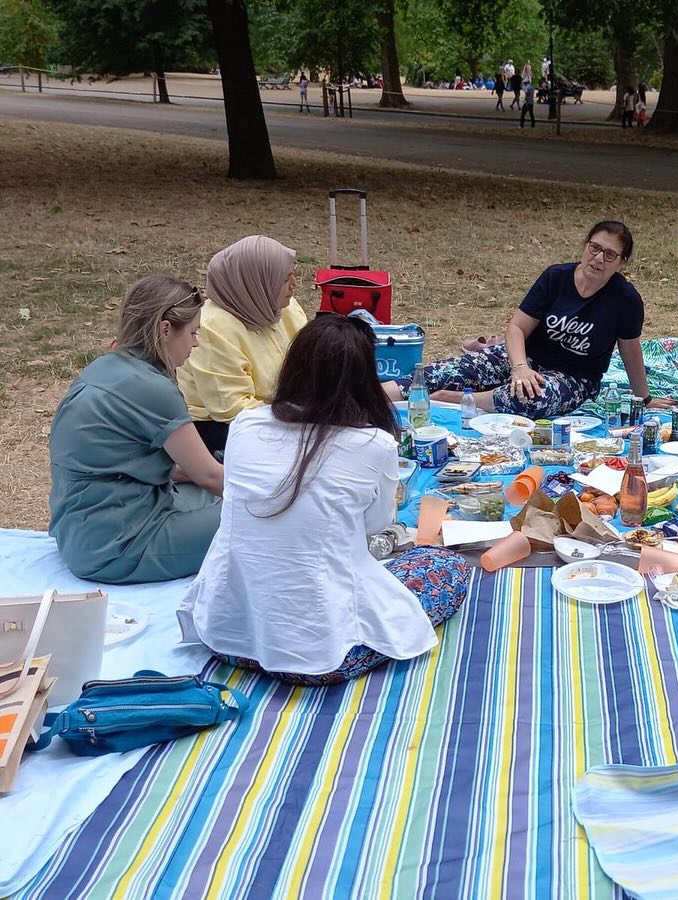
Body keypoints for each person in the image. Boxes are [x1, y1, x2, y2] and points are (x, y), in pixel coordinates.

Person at [178, 315, 467, 686]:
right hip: (318, 656)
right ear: (364, 380)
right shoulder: (372, 444)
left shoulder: (245, 425)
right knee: (443, 566)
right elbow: (376, 526)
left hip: (224, 633)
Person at [49, 276, 224, 584]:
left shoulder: (103, 367)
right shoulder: (154, 389)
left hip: (80, 532)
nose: (195, 343)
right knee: (256, 517)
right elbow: (209, 476)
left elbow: (141, 464)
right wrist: (279, 495)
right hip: (118, 547)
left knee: (217, 498)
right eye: (193, 333)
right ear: (166, 329)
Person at [423, 221, 670, 419]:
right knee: (439, 373)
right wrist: (520, 368)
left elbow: (630, 352)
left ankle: (453, 399)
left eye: (609, 254)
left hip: (574, 378)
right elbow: (517, 327)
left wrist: (645, 399)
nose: (598, 259)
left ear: (621, 263)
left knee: (531, 398)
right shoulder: (556, 277)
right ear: (585, 246)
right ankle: (386, 396)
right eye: (594, 248)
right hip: (526, 360)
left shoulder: (626, 299)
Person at [176, 235, 307, 455]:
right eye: (286, 279)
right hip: (222, 427)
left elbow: (311, 357)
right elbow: (232, 408)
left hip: (284, 411)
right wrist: (304, 417)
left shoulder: (280, 306)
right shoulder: (213, 328)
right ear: (256, 283)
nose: (294, 285)